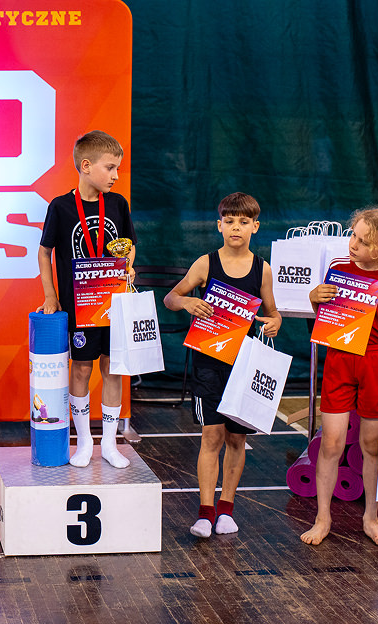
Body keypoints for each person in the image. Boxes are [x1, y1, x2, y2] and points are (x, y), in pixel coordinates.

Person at [163, 192, 282, 537]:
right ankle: (205, 512)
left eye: (244, 222)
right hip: (208, 363)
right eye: (229, 221)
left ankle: (226, 510)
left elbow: (273, 312)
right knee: (211, 436)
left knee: (236, 439)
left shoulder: (262, 269)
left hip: (243, 367)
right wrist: (186, 302)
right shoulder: (205, 263)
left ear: (255, 227)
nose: (236, 228)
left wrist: (275, 322)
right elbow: (170, 297)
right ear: (219, 225)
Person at [301, 205, 378, 547]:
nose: (353, 244)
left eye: (364, 241)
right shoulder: (339, 267)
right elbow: (326, 316)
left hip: (377, 362)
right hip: (339, 359)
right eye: (353, 235)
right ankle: (323, 517)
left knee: (371, 445)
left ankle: (371, 517)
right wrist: (313, 298)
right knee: (331, 442)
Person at [37, 130, 136, 469]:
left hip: (112, 305)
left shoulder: (118, 204)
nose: (115, 175)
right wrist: (51, 295)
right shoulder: (61, 207)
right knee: (80, 368)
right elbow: (44, 252)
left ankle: (109, 442)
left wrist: (128, 267)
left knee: (112, 368)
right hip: (79, 307)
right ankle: (83, 442)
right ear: (86, 165)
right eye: (110, 168)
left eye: (118, 168)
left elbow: (129, 246)